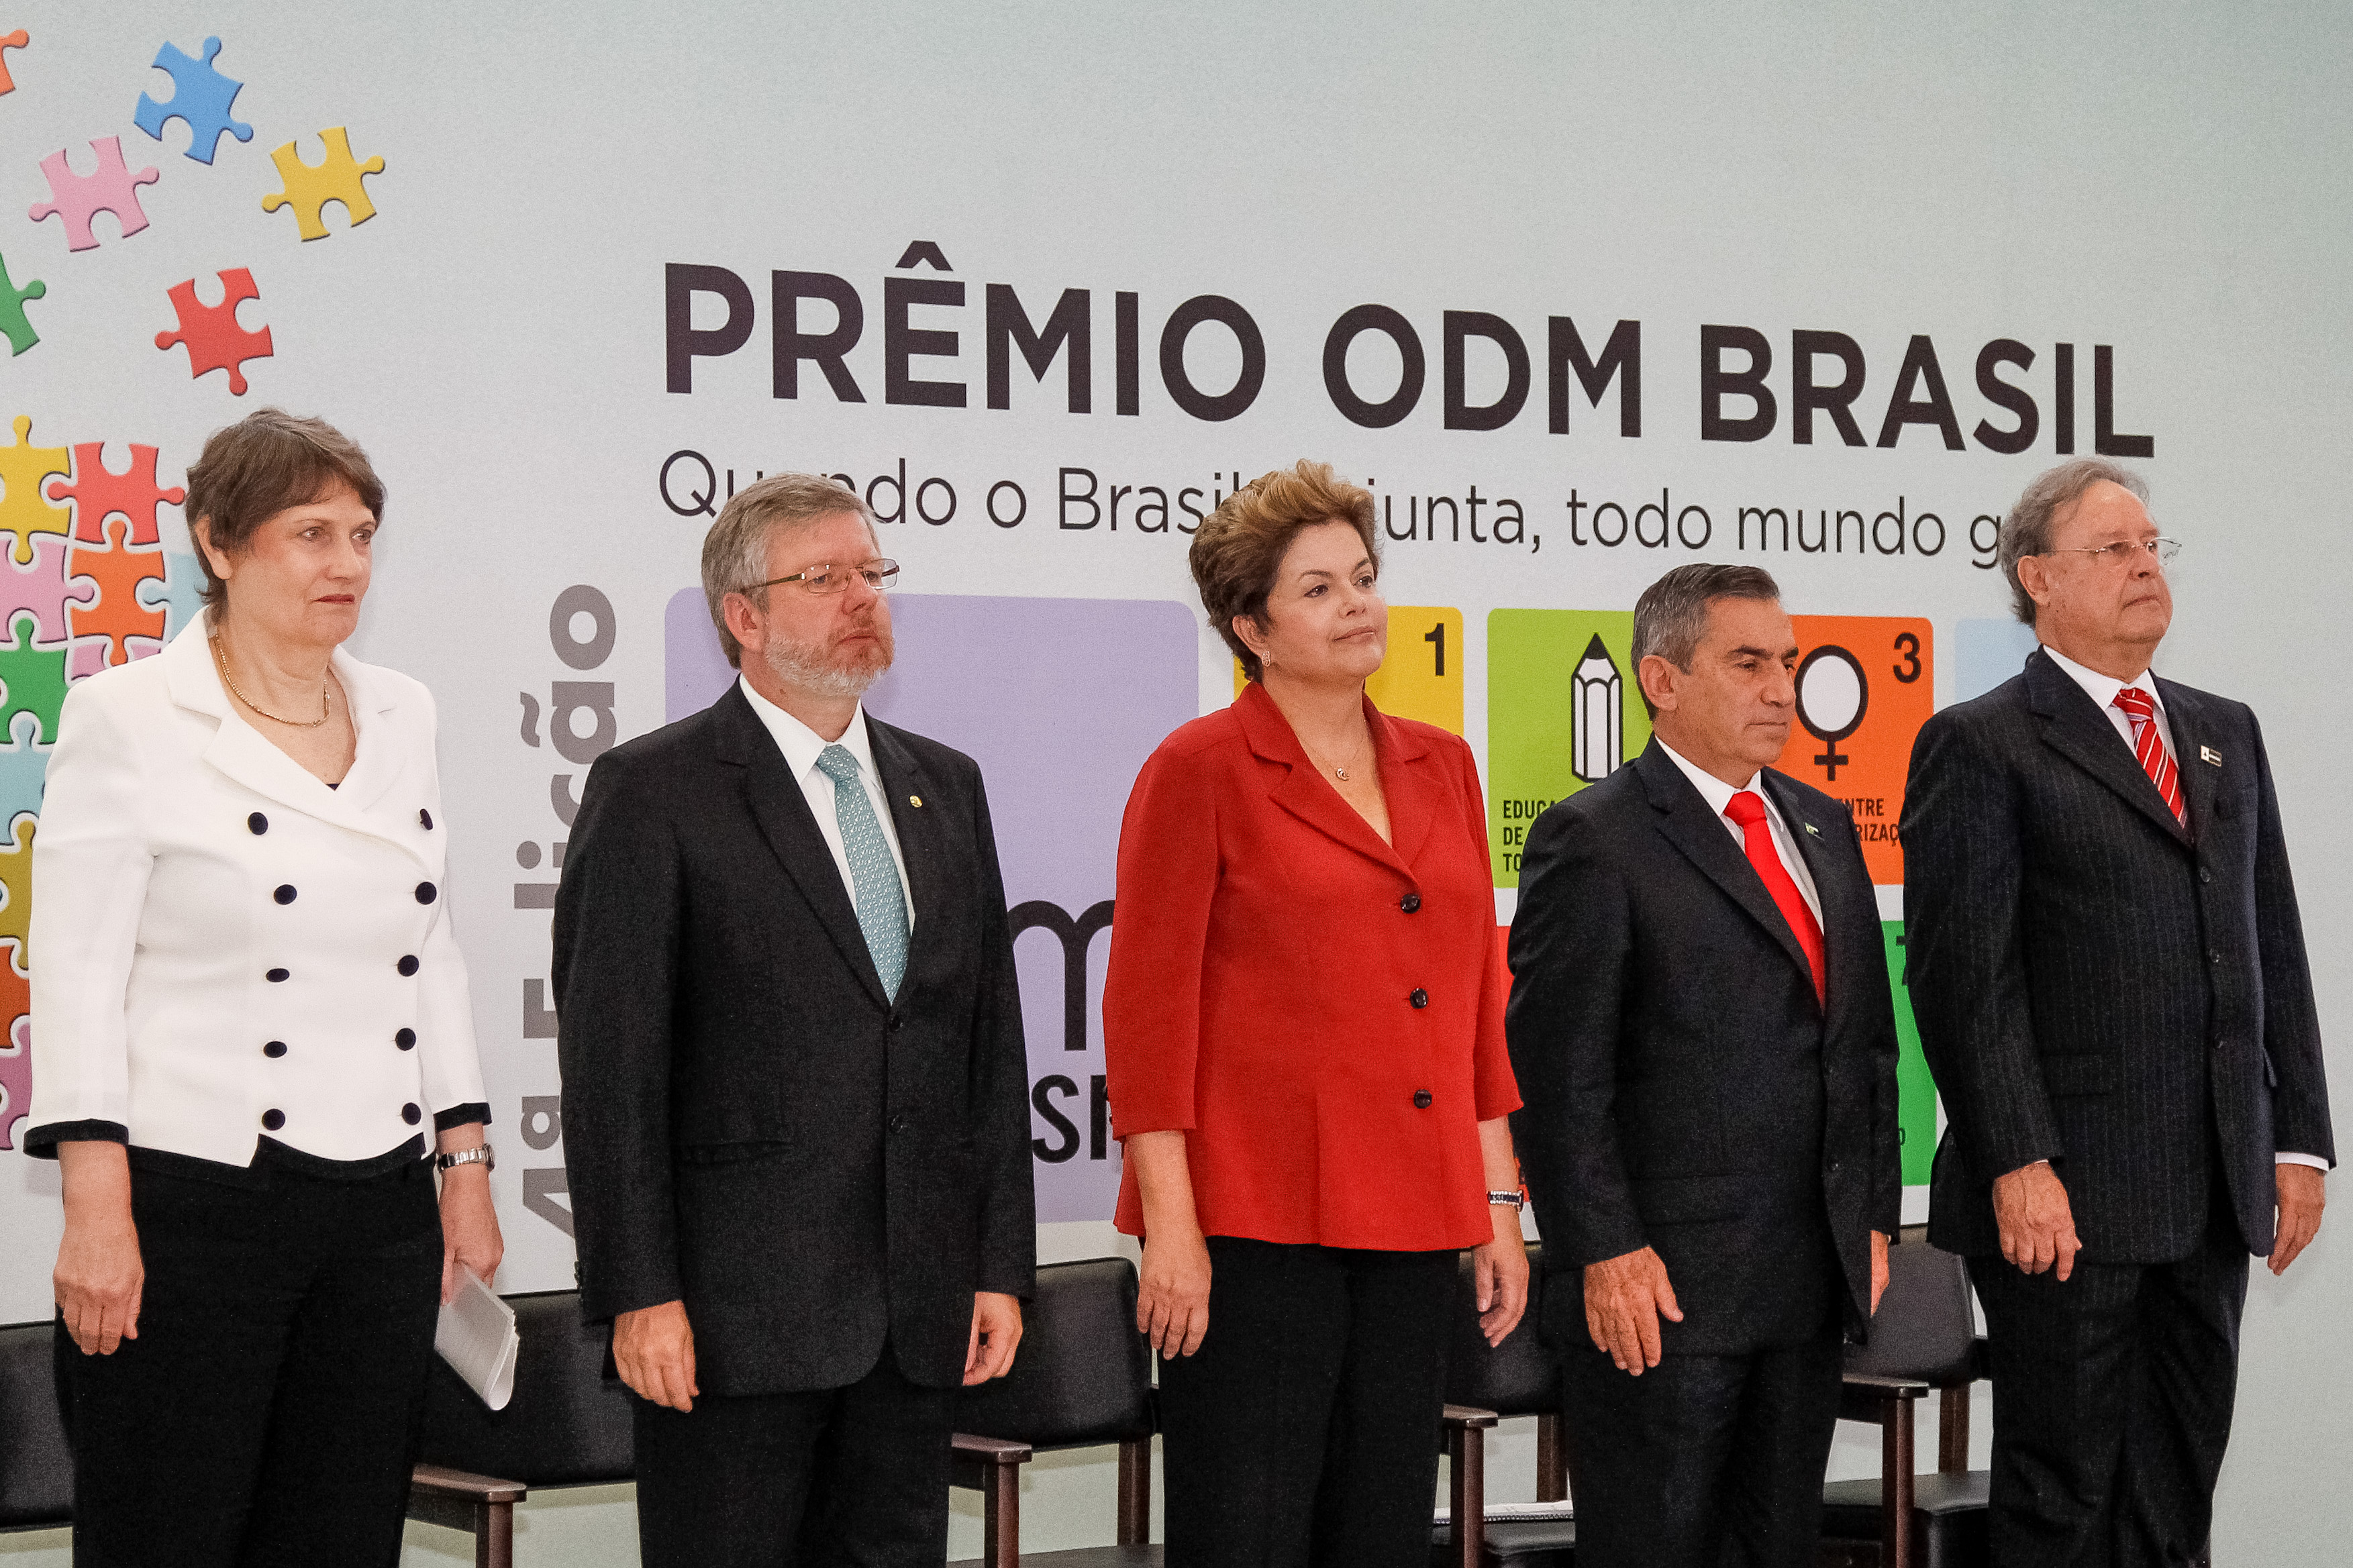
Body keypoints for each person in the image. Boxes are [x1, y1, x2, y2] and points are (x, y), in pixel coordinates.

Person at [25, 409, 501, 1567]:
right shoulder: (127, 715)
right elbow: (78, 966)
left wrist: (466, 1163)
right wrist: (98, 1212)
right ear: (220, 545)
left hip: (381, 1207)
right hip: (191, 1205)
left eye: (362, 533)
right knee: (167, 1532)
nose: (346, 563)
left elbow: (426, 945)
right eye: (310, 533)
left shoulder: (404, 710)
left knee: (340, 1536)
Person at [552, 474, 1034, 1568]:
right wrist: (639, 1293)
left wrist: (996, 1263)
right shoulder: (653, 789)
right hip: (730, 1319)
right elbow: (612, 1068)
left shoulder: (944, 786)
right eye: (823, 578)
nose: (861, 596)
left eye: (871, 573)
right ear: (744, 615)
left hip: (914, 1313)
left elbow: (984, 1049)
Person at [1901, 459, 2331, 1567]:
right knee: (2064, 1499)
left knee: (2175, 1490)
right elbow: (1962, 980)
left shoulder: (2220, 730)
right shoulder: (1982, 741)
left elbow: (2267, 941)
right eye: (2114, 549)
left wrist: (2297, 1140)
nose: (2145, 566)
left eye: (2151, 546)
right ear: (2037, 577)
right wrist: (2017, 1160)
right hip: (2064, 1199)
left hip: (2210, 1182)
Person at [1103, 460, 1527, 1568]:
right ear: (1250, 624)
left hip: (1414, 1212)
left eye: (1365, 577)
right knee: (1248, 1531)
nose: (1359, 606)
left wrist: (1495, 1200)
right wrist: (1173, 1232)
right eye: (1320, 589)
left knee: (1380, 1530)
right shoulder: (1197, 767)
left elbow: (1473, 1000)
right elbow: (1147, 1018)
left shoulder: (1444, 764)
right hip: (1250, 1223)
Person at [1507, 563, 1899, 1568]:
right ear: (1660, 680)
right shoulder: (1592, 838)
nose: (1780, 688)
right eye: (1747, 662)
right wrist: (1603, 1249)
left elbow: (1864, 1039)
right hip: (1661, 1296)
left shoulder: (1821, 821)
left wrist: (1870, 1216)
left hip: (1806, 1280)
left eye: (1788, 661)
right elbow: (1558, 1078)